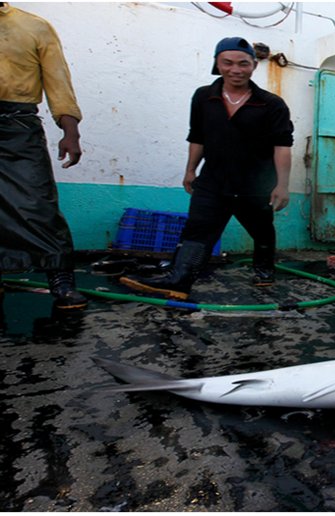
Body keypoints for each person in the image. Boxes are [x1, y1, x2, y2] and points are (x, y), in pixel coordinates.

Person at [120, 37, 293, 300]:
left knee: (262, 230)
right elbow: (197, 136)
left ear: (254, 65)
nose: (236, 69)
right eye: (228, 63)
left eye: (243, 63)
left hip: (255, 185)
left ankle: (264, 268)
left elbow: (282, 146)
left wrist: (282, 185)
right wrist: (190, 170)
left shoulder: (271, 104)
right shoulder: (204, 97)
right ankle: (180, 280)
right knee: (198, 229)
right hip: (213, 181)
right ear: (217, 63)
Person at [0, 2, 88, 311]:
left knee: (37, 204)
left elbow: (58, 81)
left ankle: (61, 279)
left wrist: (71, 131)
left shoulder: (34, 26)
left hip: (17, 126)